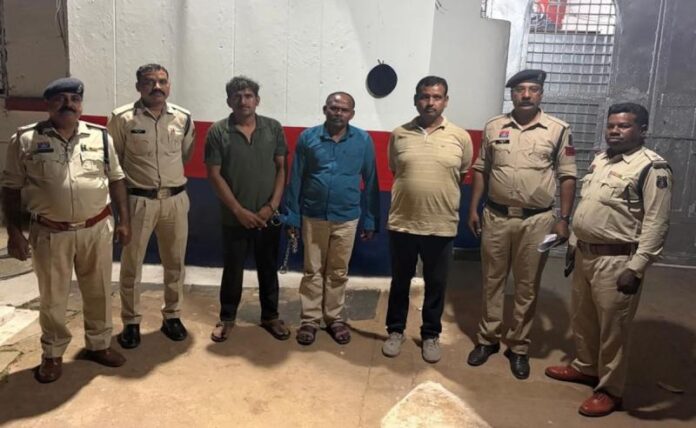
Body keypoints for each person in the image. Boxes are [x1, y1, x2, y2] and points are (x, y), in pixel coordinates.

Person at [546, 103, 672, 417]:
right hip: (586, 254)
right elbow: (589, 205)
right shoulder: (602, 160)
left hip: (618, 261)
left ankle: (610, 390)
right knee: (584, 319)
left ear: (642, 130)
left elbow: (656, 223)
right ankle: (586, 367)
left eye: (624, 126)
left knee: (613, 329)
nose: (615, 131)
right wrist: (574, 244)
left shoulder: (652, 167)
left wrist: (637, 267)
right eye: (612, 125)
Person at [1, 77, 131, 383]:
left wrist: (125, 221)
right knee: (53, 297)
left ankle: (99, 344)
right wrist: (15, 233)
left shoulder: (100, 137)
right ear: (48, 104)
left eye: (74, 99)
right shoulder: (25, 139)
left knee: (99, 291)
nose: (68, 104)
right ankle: (53, 353)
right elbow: (10, 187)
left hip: (96, 228)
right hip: (50, 232)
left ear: (81, 105)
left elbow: (116, 179)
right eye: (60, 99)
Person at [466, 69, 577, 379]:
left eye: (533, 89)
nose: (526, 95)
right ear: (512, 94)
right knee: (492, 281)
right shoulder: (494, 127)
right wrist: (473, 208)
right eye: (520, 90)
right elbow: (481, 169)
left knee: (527, 287)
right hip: (496, 216)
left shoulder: (557, 129)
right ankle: (487, 340)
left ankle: (518, 347)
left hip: (537, 221)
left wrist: (563, 219)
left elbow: (568, 175)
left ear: (541, 93)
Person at [381, 76, 473, 363]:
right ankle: (395, 331)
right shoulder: (399, 134)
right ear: (415, 100)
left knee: (436, 284)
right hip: (403, 222)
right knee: (400, 282)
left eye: (436, 97)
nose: (430, 102)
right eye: (424, 96)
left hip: (441, 224)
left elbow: (461, 174)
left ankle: (431, 334)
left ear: (445, 101)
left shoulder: (460, 136)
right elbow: (396, 169)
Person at [107, 64, 195, 348]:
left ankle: (173, 316)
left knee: (175, 262)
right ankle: (131, 321)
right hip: (138, 202)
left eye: (162, 81)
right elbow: (115, 164)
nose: (157, 87)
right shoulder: (122, 119)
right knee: (131, 264)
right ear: (138, 87)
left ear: (169, 85)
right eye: (149, 82)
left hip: (175, 200)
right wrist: (120, 213)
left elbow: (185, 154)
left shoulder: (183, 118)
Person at [284, 92, 380, 346]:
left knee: (338, 271)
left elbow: (371, 180)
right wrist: (292, 216)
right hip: (313, 215)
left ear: (352, 114)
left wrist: (371, 219)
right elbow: (296, 178)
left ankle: (334, 318)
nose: (338, 113)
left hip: (347, 217)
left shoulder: (363, 140)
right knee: (312, 270)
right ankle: (310, 320)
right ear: (325, 109)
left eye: (344, 109)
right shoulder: (308, 138)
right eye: (334, 108)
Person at [204, 76, 290, 342]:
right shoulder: (218, 132)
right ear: (229, 101)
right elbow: (214, 175)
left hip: (267, 217)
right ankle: (227, 318)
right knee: (233, 270)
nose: (243, 101)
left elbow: (281, 168)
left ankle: (271, 316)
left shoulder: (273, 128)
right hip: (234, 218)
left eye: (249, 96)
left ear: (257, 100)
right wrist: (239, 211)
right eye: (237, 96)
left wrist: (272, 206)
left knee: (268, 268)